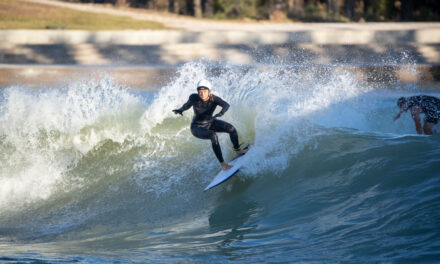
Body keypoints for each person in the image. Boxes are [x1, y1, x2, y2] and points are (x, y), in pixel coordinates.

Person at [172, 79, 248, 170]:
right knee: (213, 135)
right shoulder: (194, 98)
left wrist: (220, 113)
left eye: (204, 92)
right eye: (200, 92)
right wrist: (180, 110)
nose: (202, 94)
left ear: (209, 91)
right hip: (196, 127)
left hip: (210, 122)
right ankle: (223, 164)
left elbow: (226, 105)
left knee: (231, 128)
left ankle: (238, 150)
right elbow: (186, 105)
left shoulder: (214, 99)